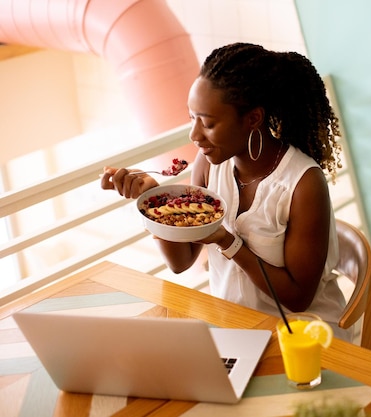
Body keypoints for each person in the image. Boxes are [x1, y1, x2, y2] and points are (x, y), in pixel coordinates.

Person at [101, 43, 351, 341]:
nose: (194, 136)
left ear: (253, 119)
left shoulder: (303, 183)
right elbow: (180, 263)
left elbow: (298, 299)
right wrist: (157, 204)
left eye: (207, 123)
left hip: (304, 337)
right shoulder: (208, 165)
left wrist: (227, 242)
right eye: (192, 118)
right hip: (236, 329)